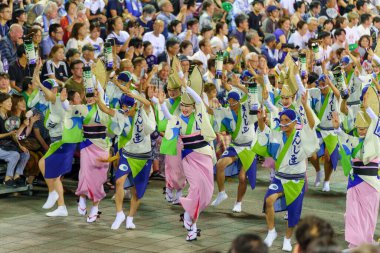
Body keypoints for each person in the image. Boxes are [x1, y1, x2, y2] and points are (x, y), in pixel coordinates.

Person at [254, 91, 318, 252]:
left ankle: (288, 239)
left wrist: (305, 105)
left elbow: (311, 125)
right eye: (281, 120)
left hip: (297, 180)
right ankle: (271, 231)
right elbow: (265, 135)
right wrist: (261, 121)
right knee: (269, 200)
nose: (283, 123)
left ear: (294, 122)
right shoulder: (276, 133)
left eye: (286, 121)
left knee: (293, 213)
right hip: (280, 178)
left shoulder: (300, 135)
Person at [157, 66, 216, 241]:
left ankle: (190, 216)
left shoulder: (200, 116)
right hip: (189, 158)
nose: (184, 108)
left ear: (193, 107)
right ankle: (191, 224)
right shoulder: (178, 120)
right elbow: (168, 117)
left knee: (206, 191)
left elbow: (198, 100)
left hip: (203, 155)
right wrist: (160, 103)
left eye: (187, 106)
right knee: (195, 188)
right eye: (182, 105)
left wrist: (185, 83)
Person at [96, 84, 155, 230]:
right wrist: (98, 100)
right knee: (119, 181)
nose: (125, 109)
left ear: (134, 105)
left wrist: (132, 95)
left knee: (137, 191)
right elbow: (106, 110)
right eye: (123, 105)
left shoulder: (144, 111)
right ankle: (119, 214)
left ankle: (130, 218)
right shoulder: (121, 114)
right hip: (127, 154)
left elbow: (148, 103)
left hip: (143, 156)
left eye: (128, 106)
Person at [332, 90, 380, 248]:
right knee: (352, 215)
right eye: (359, 128)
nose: (361, 131)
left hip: (371, 183)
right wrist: (338, 129)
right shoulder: (355, 139)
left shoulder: (375, 138)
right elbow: (346, 139)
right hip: (355, 181)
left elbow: (376, 123)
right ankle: (355, 245)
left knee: (368, 216)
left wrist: (370, 110)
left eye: (365, 128)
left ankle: (365, 244)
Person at [212, 77, 257, 213]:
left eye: (233, 101)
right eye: (229, 100)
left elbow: (252, 95)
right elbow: (212, 112)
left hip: (249, 146)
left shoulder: (247, 107)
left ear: (239, 101)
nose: (231, 103)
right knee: (220, 165)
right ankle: (221, 193)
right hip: (236, 145)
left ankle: (238, 202)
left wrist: (238, 85)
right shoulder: (226, 111)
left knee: (242, 177)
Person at [0, 92, 30, 187]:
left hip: (7, 145)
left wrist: (20, 146)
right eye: (7, 101)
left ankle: (17, 176)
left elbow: (14, 135)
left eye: (10, 102)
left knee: (25, 153)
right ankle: (7, 178)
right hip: (1, 147)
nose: (10, 104)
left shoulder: (8, 117)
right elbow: (10, 133)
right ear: (1, 103)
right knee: (15, 155)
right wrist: (9, 133)